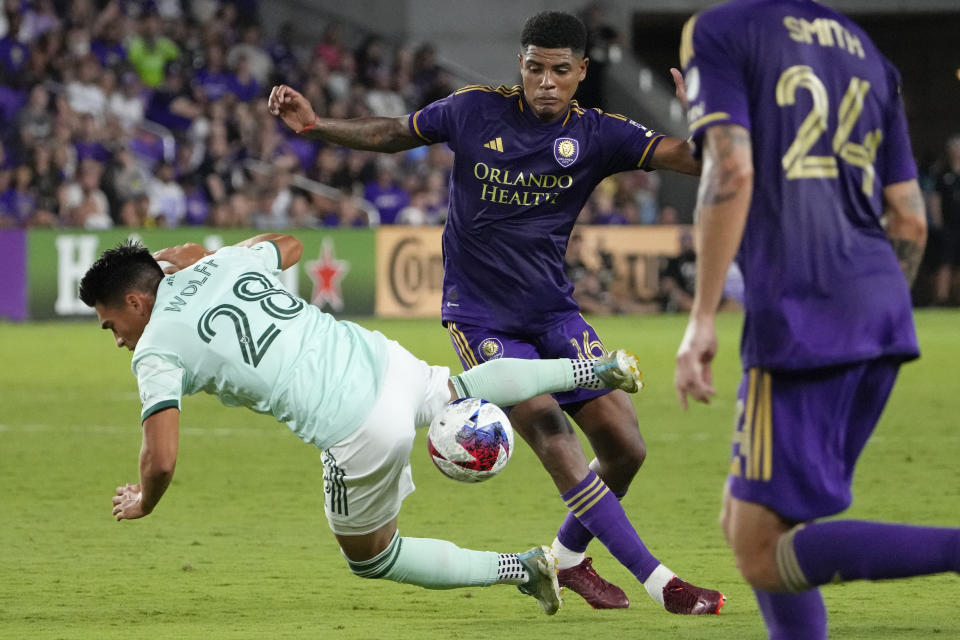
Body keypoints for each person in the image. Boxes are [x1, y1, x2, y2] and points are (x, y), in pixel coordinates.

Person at [268, 10, 724, 614]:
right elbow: (393, 133)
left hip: (553, 313)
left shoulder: (601, 134)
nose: (546, 81)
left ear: (581, 73)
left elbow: (696, 158)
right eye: (535, 68)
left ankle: (566, 561)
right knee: (548, 429)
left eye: (561, 70)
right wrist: (318, 125)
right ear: (521, 65)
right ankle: (661, 583)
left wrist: (706, 109)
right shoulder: (473, 110)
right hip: (480, 319)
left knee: (626, 448)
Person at [79, 234, 647, 616]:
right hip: (381, 360)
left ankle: (523, 568)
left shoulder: (153, 349)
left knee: (372, 557)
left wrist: (145, 500)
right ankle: (594, 368)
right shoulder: (222, 262)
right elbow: (289, 245)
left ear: (135, 300)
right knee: (460, 386)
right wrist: (199, 254)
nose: (117, 337)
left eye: (111, 325)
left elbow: (162, 459)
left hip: (356, 426)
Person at [673, 1, 959, 638]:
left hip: (803, 313)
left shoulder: (719, 28)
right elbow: (909, 215)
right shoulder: (866, 52)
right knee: (762, 527)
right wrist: (871, 310)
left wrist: (701, 318)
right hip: (880, 305)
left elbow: (733, 167)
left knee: (757, 549)